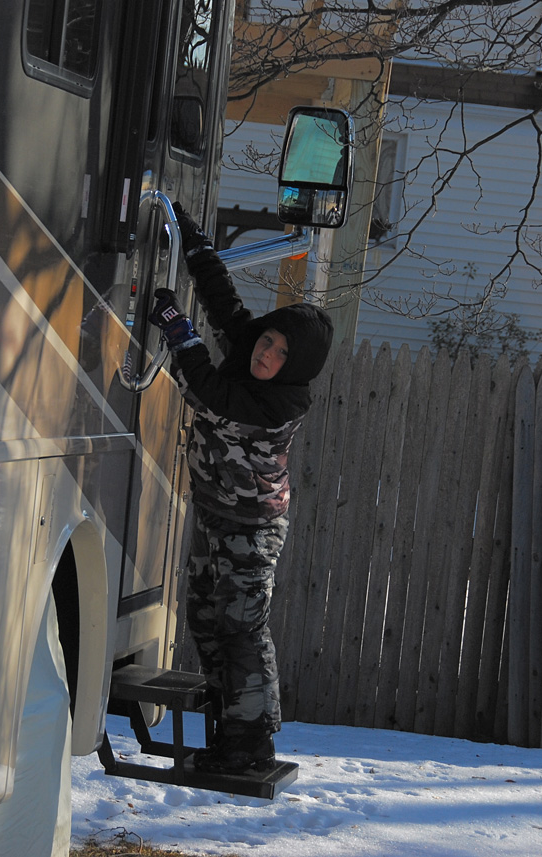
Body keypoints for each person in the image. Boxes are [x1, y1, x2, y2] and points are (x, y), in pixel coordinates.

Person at [147, 204, 334, 774]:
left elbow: (205, 391)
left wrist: (178, 329)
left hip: (252, 531)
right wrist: (197, 246)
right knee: (205, 619)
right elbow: (225, 303)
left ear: (296, 367)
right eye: (268, 341)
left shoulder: (275, 405)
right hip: (214, 516)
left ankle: (253, 747)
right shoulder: (251, 354)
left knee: (241, 630)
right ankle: (231, 732)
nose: (265, 354)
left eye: (279, 354)